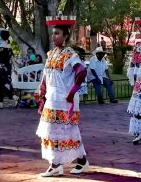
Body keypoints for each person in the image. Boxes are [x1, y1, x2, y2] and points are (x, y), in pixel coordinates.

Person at [36, 24, 89, 177]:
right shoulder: (51, 53)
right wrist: (42, 88)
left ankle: (56, 165)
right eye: (53, 34)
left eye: (57, 33)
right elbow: (46, 75)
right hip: (52, 98)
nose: (54, 37)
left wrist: (72, 92)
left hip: (64, 99)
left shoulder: (70, 54)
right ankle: (80, 161)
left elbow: (81, 71)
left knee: (63, 130)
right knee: (55, 131)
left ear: (66, 36)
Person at [0, 30, 19, 109]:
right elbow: (12, 58)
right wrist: (15, 67)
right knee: (2, 84)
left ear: (1, 36)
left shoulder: (0, 47)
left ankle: (14, 96)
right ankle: (0, 103)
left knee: (4, 84)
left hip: (2, 67)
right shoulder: (9, 47)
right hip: (8, 67)